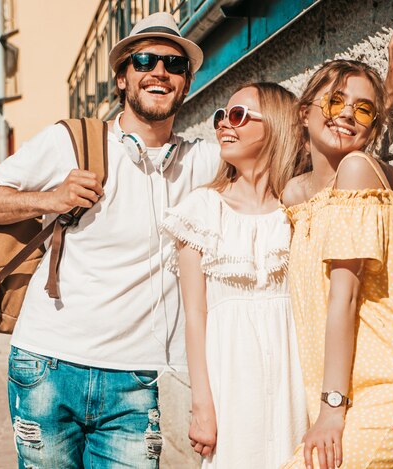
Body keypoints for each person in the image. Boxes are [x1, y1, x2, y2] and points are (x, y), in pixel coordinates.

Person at [0, 10, 393, 467]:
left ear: (186, 83)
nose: (159, 72)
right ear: (121, 78)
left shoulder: (204, 160)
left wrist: (385, 101)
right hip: (49, 363)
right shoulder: (73, 141)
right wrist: (50, 197)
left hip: (135, 382)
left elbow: (313, 136)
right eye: (144, 61)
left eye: (174, 65)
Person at [280, 59, 393, 469]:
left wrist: (329, 410)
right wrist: (384, 99)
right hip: (354, 393)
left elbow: (342, 300)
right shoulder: (297, 196)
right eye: (335, 101)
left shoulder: (358, 170)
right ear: (304, 112)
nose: (347, 113)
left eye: (364, 109)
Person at [161, 82, 309, 468]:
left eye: (239, 115)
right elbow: (195, 317)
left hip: (296, 382)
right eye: (221, 116)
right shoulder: (201, 211)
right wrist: (201, 406)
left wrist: (387, 104)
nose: (225, 125)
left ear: (275, 126)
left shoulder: (298, 207)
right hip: (232, 384)